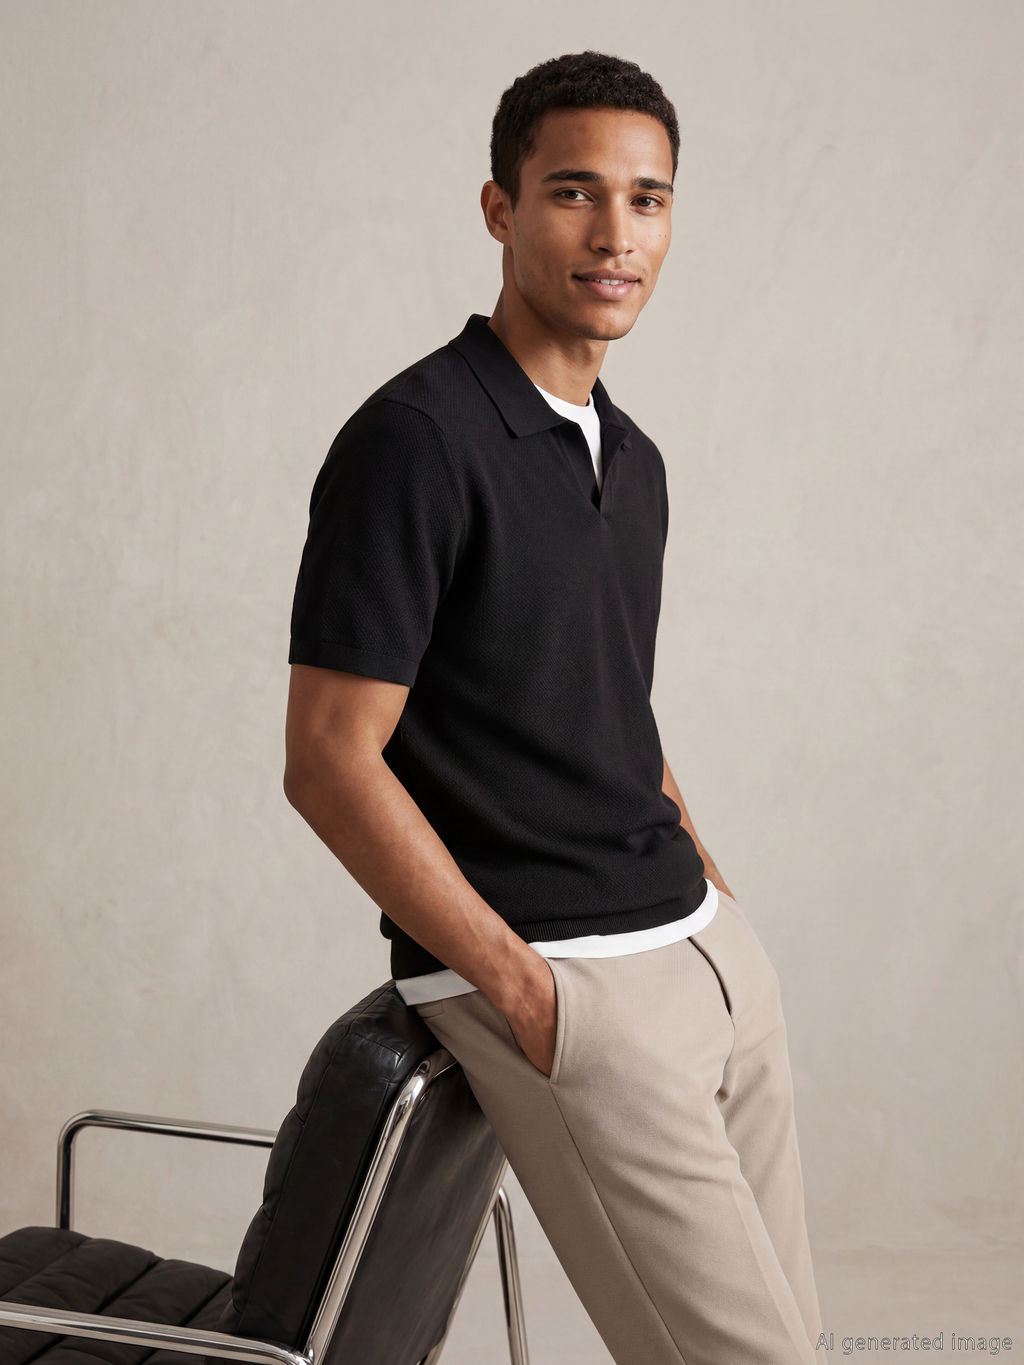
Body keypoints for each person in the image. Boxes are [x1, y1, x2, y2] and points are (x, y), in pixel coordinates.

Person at [284, 50, 822, 1365]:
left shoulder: (632, 459)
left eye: (648, 199)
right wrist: (517, 985)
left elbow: (609, 700)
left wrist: (714, 891)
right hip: (572, 986)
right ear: (500, 208)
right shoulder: (416, 439)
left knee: (792, 1340)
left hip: (712, 961)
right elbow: (329, 759)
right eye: (574, 191)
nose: (614, 233)